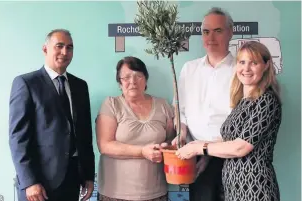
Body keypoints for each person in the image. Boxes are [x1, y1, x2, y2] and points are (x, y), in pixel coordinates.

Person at [176, 41, 282, 201]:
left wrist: (201, 148)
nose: (246, 68)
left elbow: (240, 147)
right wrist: (198, 148)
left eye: (254, 63)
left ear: (266, 65)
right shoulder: (242, 101)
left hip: (255, 188)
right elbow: (227, 139)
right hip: (233, 187)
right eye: (242, 62)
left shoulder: (266, 100)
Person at [9, 29, 95, 201]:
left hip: (71, 180)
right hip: (38, 184)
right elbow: (18, 137)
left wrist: (88, 176)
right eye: (59, 46)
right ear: (45, 49)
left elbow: (85, 135)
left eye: (70, 47)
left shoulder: (80, 86)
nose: (65, 52)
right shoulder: (26, 83)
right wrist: (29, 181)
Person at [171, 7, 235, 201]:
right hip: (195, 158)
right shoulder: (189, 69)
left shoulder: (241, 70)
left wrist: (209, 149)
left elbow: (243, 122)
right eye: (206, 32)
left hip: (231, 157)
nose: (211, 37)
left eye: (218, 31)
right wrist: (181, 133)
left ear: (230, 33)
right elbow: (179, 112)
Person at [96, 56, 175, 201]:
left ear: (145, 80)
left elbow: (171, 141)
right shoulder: (111, 104)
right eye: (126, 77)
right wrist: (143, 152)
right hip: (115, 194)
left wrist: (166, 147)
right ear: (119, 83)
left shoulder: (163, 105)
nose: (132, 82)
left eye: (138, 76)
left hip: (156, 193)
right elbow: (105, 145)